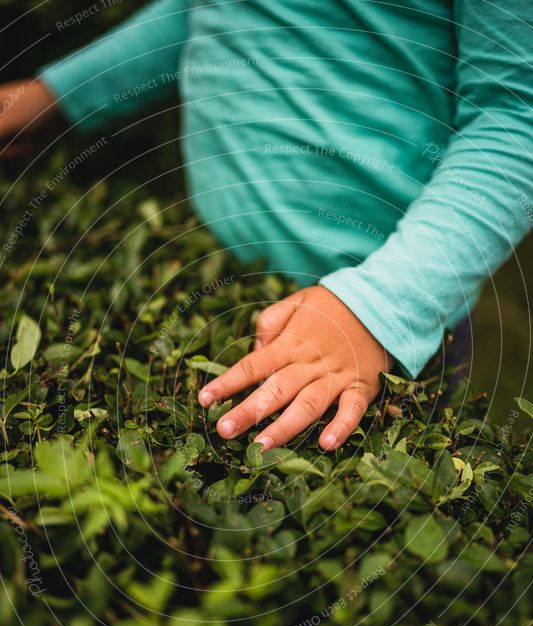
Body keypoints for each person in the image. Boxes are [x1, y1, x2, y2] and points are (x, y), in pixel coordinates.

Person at [1, 1, 531, 450]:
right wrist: (55, 94)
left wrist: (377, 310)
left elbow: (515, 119)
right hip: (213, 261)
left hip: (376, 330)